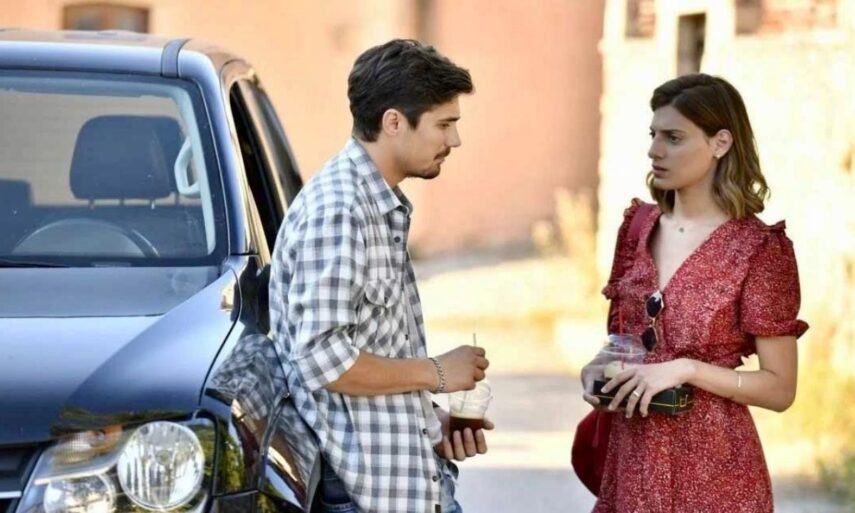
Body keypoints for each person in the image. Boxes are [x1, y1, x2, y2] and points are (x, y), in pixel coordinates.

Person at [269, 39, 491, 513]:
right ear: (394, 122)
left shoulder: (375, 203)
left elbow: (375, 348)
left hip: (405, 481)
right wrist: (436, 372)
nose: (454, 140)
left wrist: (428, 421)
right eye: (444, 124)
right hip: (364, 495)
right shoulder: (340, 210)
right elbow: (323, 359)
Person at [581, 73, 809, 512]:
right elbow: (622, 341)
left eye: (673, 137)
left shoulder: (760, 250)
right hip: (632, 465)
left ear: (720, 143)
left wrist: (686, 369)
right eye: (653, 135)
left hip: (716, 475)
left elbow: (780, 389)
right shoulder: (636, 228)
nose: (655, 150)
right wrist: (597, 369)